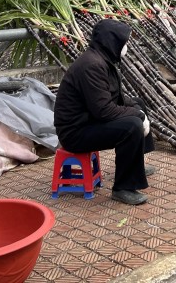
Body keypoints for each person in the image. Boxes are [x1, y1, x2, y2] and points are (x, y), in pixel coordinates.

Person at [54, 19, 155, 205]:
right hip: (74, 132)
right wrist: (138, 116)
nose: (126, 46)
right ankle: (123, 188)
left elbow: (114, 97)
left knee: (139, 103)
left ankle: (136, 165)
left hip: (88, 119)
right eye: (124, 43)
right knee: (131, 125)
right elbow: (104, 111)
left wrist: (138, 109)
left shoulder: (101, 59)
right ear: (112, 41)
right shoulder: (92, 65)